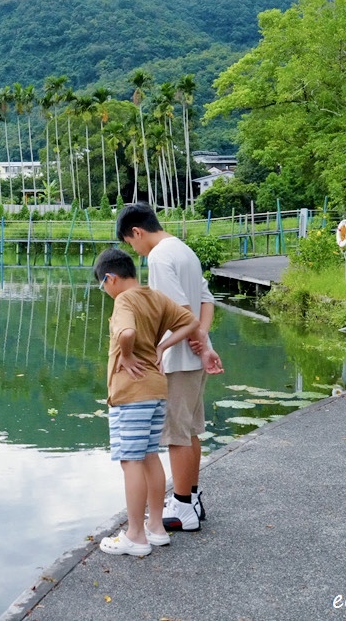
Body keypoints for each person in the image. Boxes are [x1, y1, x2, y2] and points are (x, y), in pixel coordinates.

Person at [93, 247, 219, 557]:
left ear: (110, 278)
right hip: (156, 389)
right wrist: (163, 347)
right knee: (150, 455)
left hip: (131, 392)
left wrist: (125, 354)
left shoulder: (124, 300)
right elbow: (190, 322)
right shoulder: (154, 296)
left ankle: (135, 535)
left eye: (102, 285)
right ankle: (156, 528)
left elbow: (126, 332)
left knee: (131, 460)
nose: (105, 291)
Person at [116, 203, 224, 533]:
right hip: (192, 357)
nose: (134, 250)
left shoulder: (160, 256)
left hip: (177, 360)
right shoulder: (184, 250)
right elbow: (206, 302)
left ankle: (181, 507)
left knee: (177, 434)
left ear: (137, 232)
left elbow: (182, 312)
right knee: (188, 431)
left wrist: (162, 347)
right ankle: (189, 500)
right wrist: (203, 338)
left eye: (130, 242)